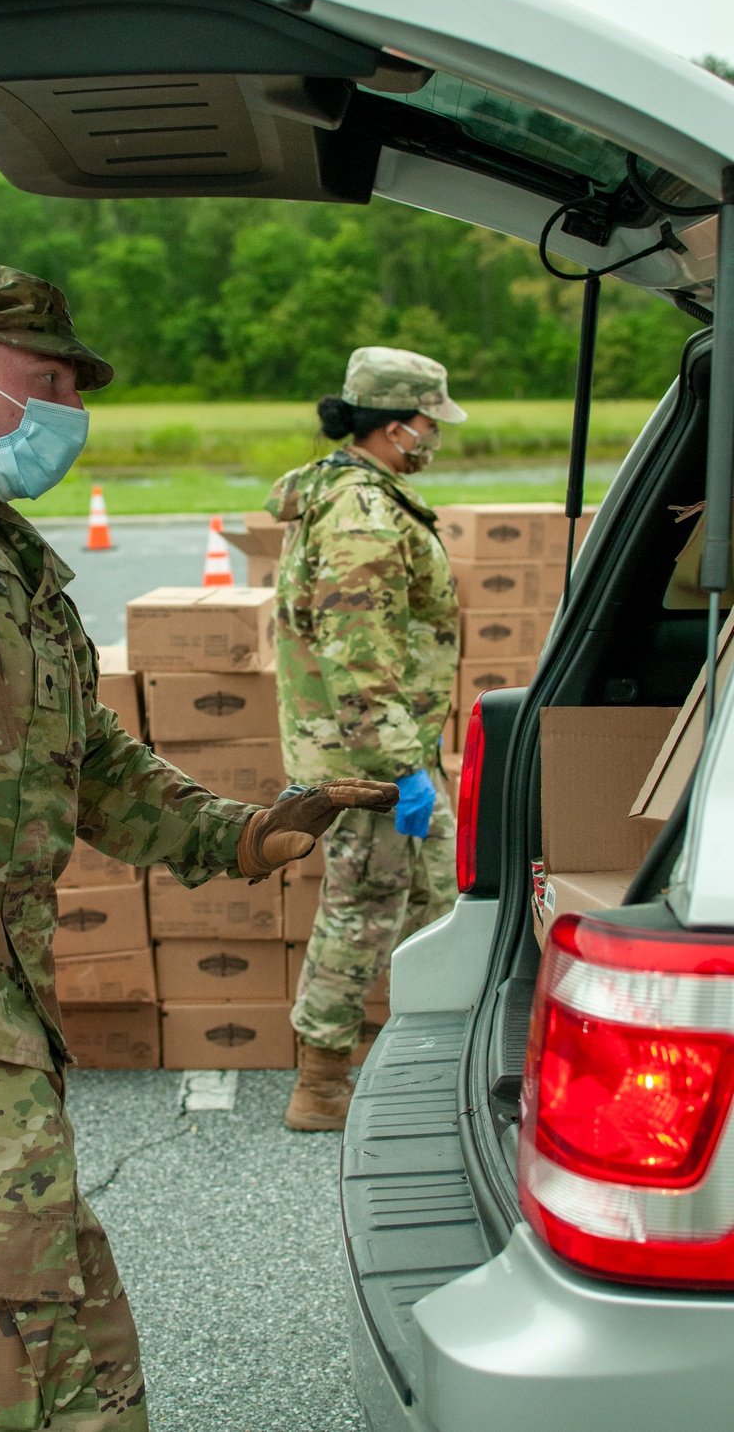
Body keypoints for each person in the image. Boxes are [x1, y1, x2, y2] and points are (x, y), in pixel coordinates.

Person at [0, 0, 399, 1432]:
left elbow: (95, 763)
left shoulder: (18, 571)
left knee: (65, 1339)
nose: (68, 413)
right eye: (46, 384)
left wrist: (254, 830)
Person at [269, 346, 464, 1132]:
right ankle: (320, 1084)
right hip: (371, 759)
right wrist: (399, 768)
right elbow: (358, 650)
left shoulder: (353, 496)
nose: (434, 437)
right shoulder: (361, 514)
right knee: (363, 910)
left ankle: (431, 1056)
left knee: (440, 896)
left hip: (387, 748)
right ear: (394, 428)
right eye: (428, 424)